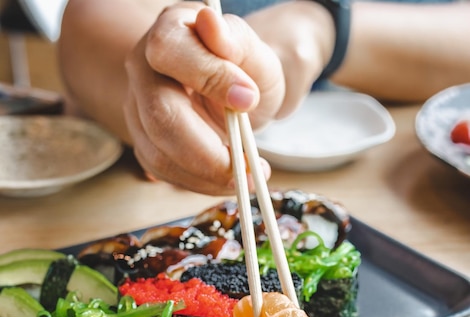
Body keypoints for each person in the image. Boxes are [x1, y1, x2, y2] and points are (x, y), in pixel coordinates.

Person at [58, 0, 470, 196]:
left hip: (407, 184)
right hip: (141, 196)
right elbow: (89, 18)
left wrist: (322, 28)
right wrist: (151, 84)